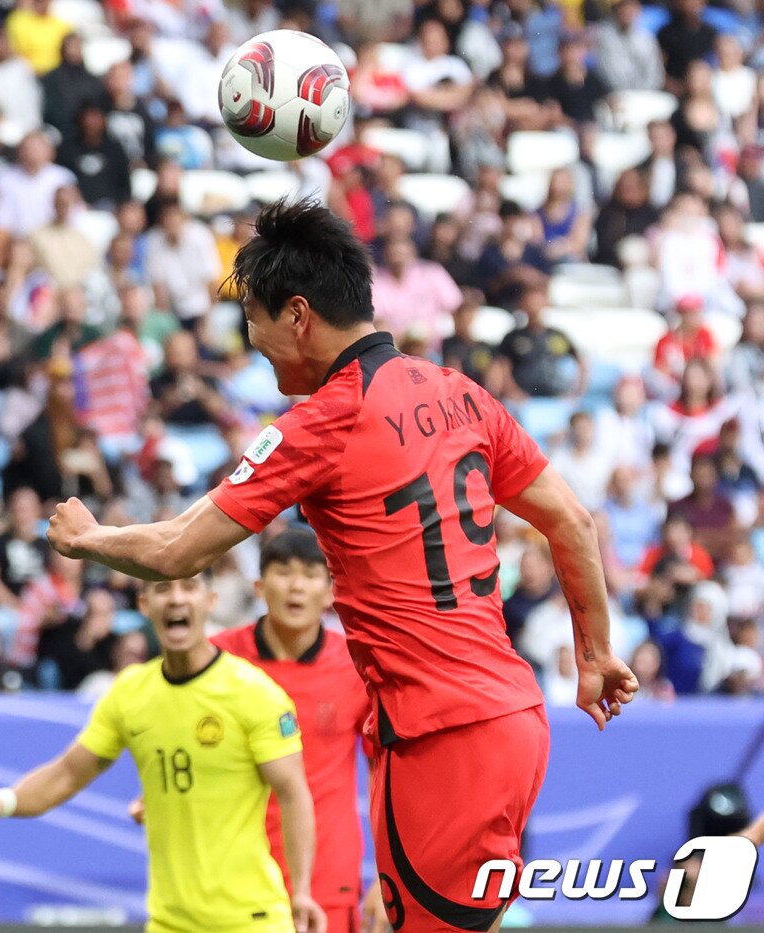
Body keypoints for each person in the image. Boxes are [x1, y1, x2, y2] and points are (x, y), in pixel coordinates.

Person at [45, 199, 638, 933]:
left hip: (439, 734)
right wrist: (595, 653)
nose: (253, 343)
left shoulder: (323, 420)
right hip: (512, 717)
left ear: (297, 314)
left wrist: (90, 538)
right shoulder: (461, 393)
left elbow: (177, 551)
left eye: (253, 319)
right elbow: (572, 521)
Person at [0, 572, 324, 933]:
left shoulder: (255, 694)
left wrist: (302, 891)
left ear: (210, 601)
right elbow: (68, 773)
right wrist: (2, 802)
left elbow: (293, 794)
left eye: (189, 587)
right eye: (163, 589)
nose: (176, 598)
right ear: (144, 604)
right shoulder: (130, 693)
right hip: (168, 921)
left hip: (251, 920)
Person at [206, 528, 380, 933]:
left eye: (310, 574)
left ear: (331, 592)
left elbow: (384, 775)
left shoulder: (358, 665)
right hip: (235, 877)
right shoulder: (219, 660)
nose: (296, 586)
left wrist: (388, 879)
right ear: (259, 587)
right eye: (283, 572)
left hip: (328, 879)